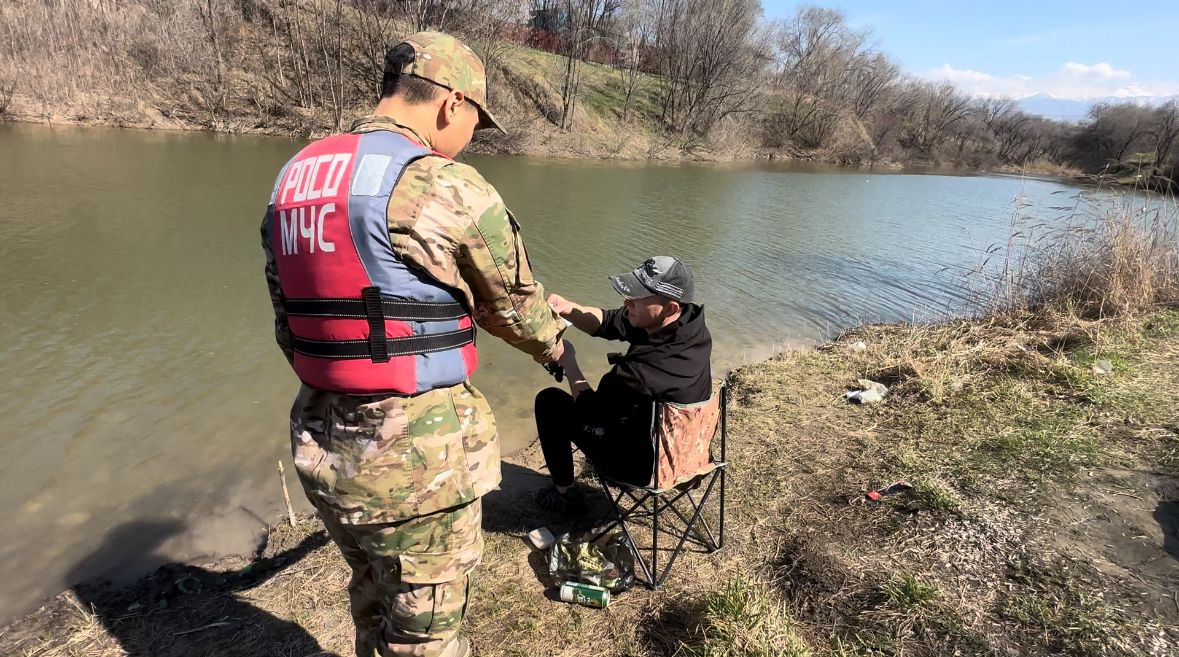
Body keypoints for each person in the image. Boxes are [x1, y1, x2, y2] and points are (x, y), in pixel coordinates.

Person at [260, 32, 565, 657]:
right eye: (476, 119)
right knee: (425, 634)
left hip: (323, 443)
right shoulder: (444, 185)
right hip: (419, 463)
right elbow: (515, 306)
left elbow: (288, 323)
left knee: (371, 595)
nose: (472, 136)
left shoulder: (296, 177)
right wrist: (559, 352)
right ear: (452, 104)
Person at [535, 256, 712, 514]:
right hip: (689, 453)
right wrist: (568, 308)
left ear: (671, 308)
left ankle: (564, 493)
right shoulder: (690, 325)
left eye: (636, 300)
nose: (627, 303)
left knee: (550, 402)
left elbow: (589, 409)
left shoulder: (643, 372)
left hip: (642, 467)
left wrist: (568, 362)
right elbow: (609, 321)